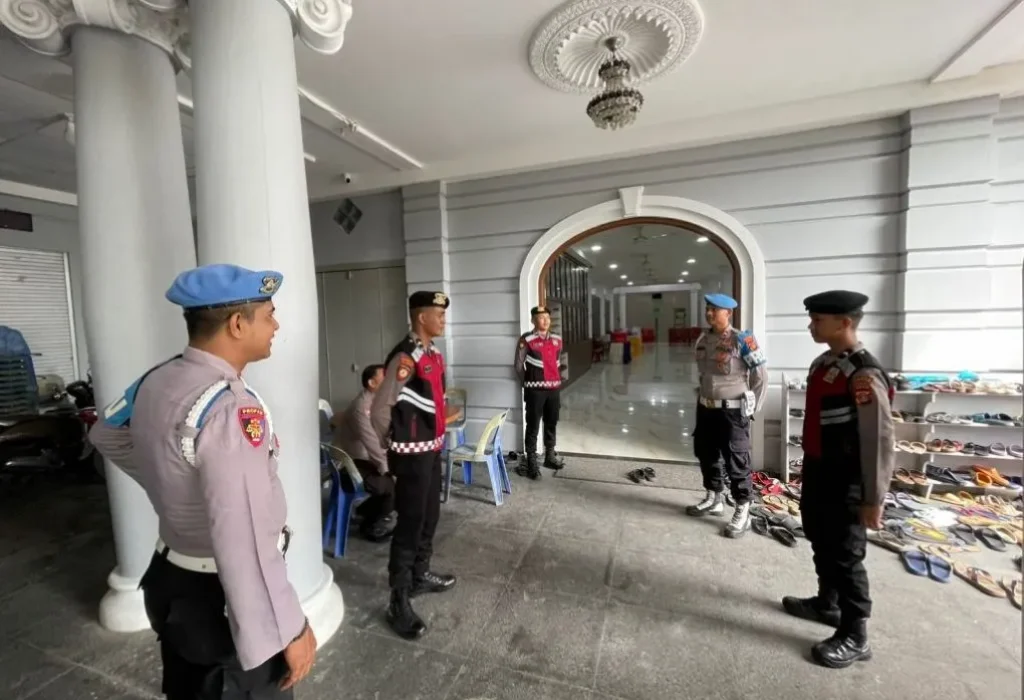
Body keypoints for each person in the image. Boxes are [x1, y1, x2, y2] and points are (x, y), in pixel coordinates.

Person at [88, 263, 316, 699]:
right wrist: (290, 628)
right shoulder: (231, 408)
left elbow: (106, 432)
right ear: (237, 324)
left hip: (171, 580)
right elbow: (243, 539)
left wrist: (174, 482)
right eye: (269, 315)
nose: (276, 326)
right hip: (223, 598)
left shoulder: (158, 378)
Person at [782, 290, 894, 669]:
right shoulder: (824, 363)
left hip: (847, 479)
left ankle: (855, 634)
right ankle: (827, 604)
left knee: (846, 555)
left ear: (844, 322)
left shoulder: (862, 374)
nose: (811, 326)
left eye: (818, 320)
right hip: (819, 470)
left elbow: (878, 440)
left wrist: (873, 497)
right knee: (820, 538)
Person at [371, 291, 458, 640]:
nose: (443, 320)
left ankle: (420, 575)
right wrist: (391, 444)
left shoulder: (432, 354)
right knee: (409, 524)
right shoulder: (405, 357)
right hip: (411, 455)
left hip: (431, 450)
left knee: (429, 516)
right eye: (439, 314)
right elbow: (380, 410)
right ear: (421, 317)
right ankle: (399, 598)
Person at [685, 293, 767, 537]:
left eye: (715, 309)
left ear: (728, 313)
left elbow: (761, 376)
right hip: (706, 408)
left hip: (732, 411)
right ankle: (714, 498)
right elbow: (704, 374)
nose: (709, 313)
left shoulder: (743, 339)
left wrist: (752, 409)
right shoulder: (703, 339)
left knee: (736, 460)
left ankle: (743, 508)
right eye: (708, 309)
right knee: (706, 453)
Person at [330, 363, 396, 541]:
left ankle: (363, 511)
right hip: (349, 466)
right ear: (372, 383)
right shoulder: (361, 407)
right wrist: (387, 469)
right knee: (391, 486)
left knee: (402, 477)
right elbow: (371, 442)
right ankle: (370, 525)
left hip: (364, 460)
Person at [513, 305, 567, 479]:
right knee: (533, 425)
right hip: (535, 390)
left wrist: (560, 380)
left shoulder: (557, 339)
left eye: (547, 318)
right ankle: (531, 462)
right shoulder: (527, 339)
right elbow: (518, 365)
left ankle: (549, 456)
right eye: (541, 318)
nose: (545, 321)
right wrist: (527, 383)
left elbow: (561, 362)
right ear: (533, 320)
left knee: (551, 422)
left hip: (553, 389)